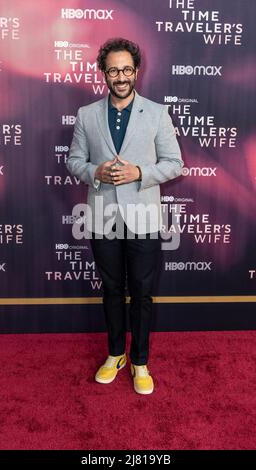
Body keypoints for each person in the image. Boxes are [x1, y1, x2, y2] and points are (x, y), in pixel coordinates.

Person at [66, 38, 183, 395]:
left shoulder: (158, 113)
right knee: (112, 290)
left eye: (127, 69)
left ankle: (140, 362)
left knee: (142, 293)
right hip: (102, 216)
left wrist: (140, 174)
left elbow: (174, 163)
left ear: (137, 71)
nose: (121, 76)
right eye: (113, 69)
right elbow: (73, 161)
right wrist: (94, 173)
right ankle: (115, 353)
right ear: (103, 72)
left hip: (144, 218)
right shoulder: (87, 115)